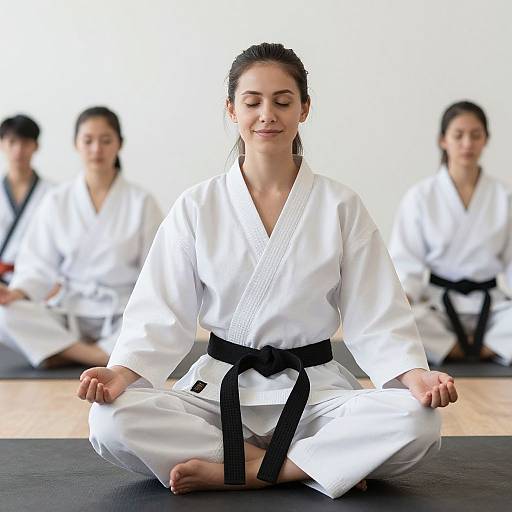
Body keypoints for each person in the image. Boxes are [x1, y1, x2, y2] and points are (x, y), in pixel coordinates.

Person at [80, 44, 457, 500]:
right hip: (219, 389)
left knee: (419, 420)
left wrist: (414, 376)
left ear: (304, 109)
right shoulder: (198, 206)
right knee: (109, 419)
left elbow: (376, 311)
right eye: (252, 102)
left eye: (282, 101)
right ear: (231, 109)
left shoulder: (340, 205)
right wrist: (121, 373)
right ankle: (312, 463)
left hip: (314, 391)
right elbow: (160, 310)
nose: (267, 115)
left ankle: (250, 469)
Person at [0, 106, 162, 368]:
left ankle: (62, 353)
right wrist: (17, 292)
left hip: (121, 312)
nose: (96, 149)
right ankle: (97, 356)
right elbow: (37, 265)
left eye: (105, 140)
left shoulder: (141, 202)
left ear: (119, 144)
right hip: (68, 311)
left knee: (158, 320)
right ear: (76, 144)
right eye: (88, 141)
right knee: (4, 315)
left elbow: (156, 273)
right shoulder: (57, 200)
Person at [390, 101, 512, 366]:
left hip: (492, 307)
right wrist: (405, 299)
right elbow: (405, 260)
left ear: (486, 140)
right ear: (443, 140)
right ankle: (473, 350)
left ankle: (464, 350)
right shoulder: (421, 197)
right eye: (458, 135)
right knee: (403, 319)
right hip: (438, 307)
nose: (467, 143)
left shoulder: (504, 196)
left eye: (475, 135)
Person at [0, 114, 52, 285]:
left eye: (25, 143)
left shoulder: (54, 194)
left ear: (36, 146)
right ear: (2, 144)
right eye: (12, 142)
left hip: (38, 282)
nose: (18, 150)